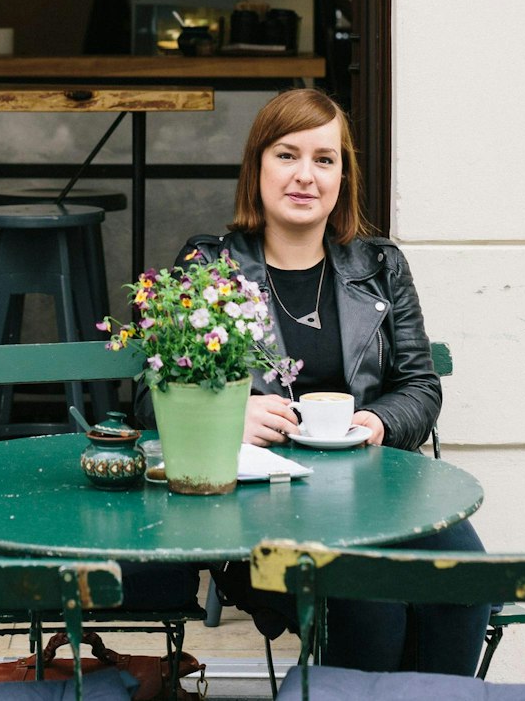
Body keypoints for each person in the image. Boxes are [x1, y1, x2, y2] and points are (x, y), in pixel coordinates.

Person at [139, 88, 489, 675]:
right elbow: (150, 401)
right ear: (256, 168)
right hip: (258, 506)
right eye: (287, 155)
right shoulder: (209, 267)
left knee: (465, 582)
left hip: (378, 494)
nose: (306, 175)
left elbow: (420, 387)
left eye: (324, 159)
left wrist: (379, 421)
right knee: (372, 606)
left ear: (342, 177)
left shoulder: (379, 267)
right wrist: (228, 419)